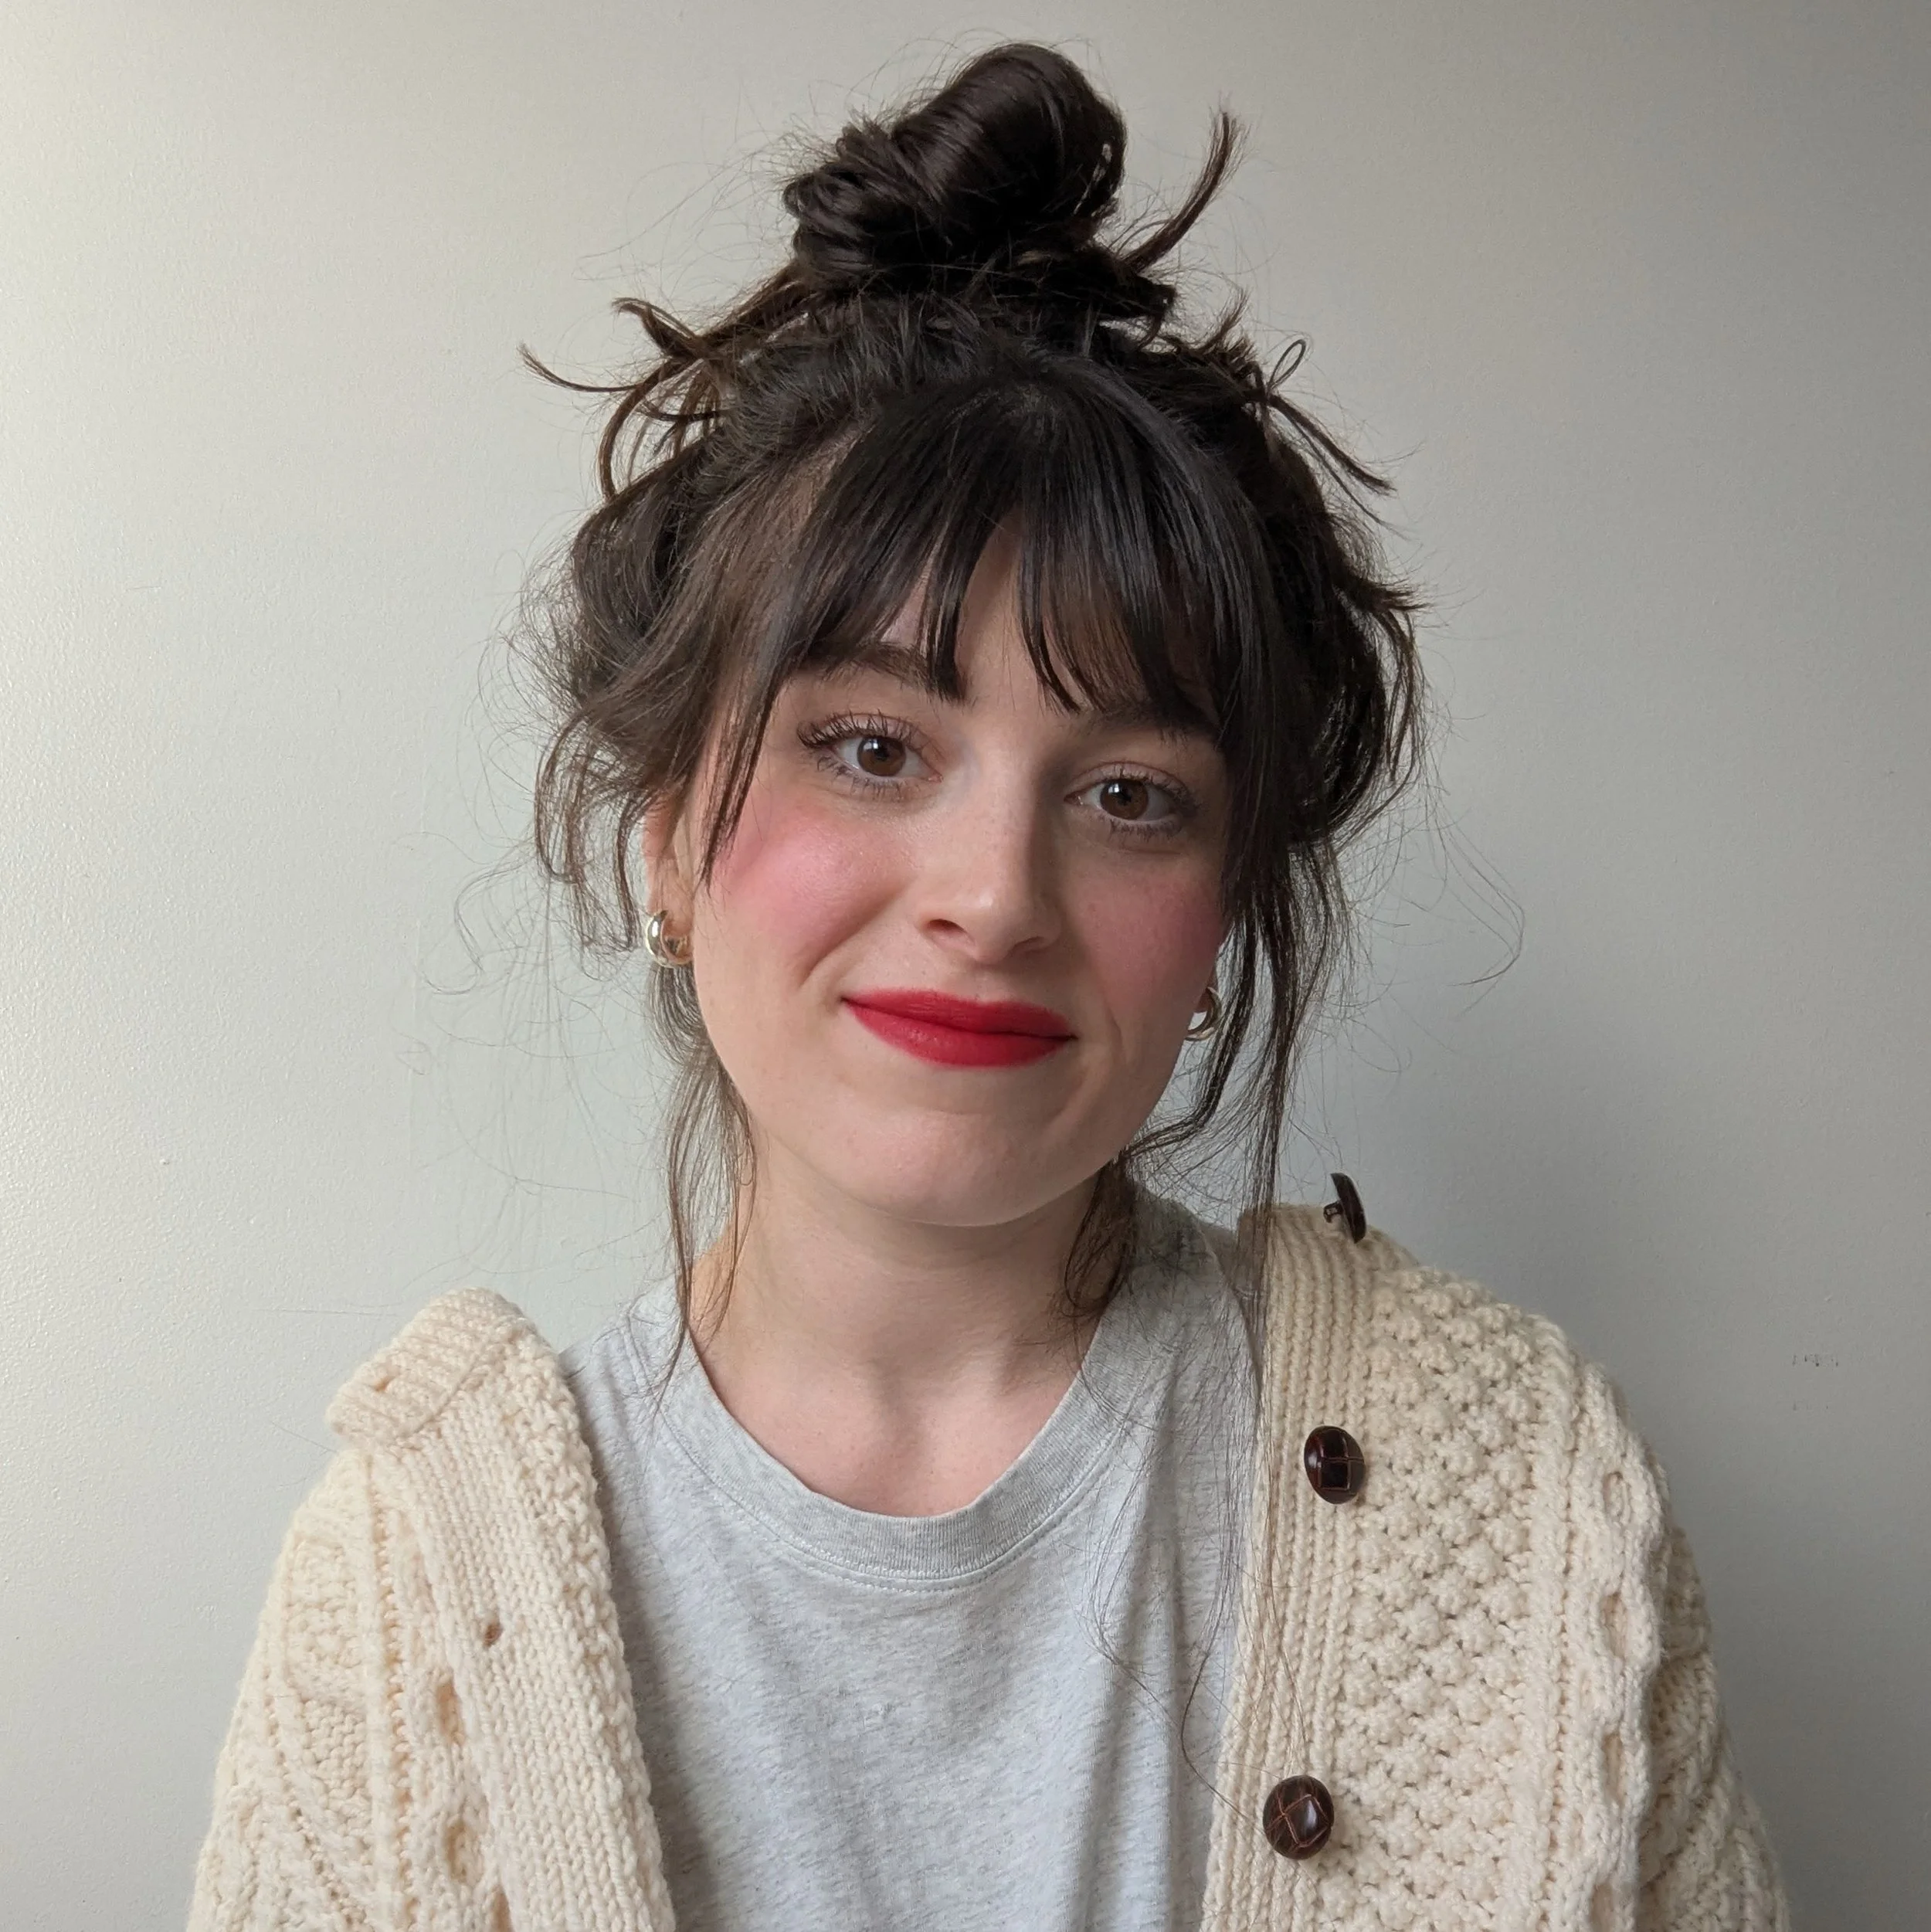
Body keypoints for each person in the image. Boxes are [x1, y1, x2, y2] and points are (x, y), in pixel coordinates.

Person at [186, 40, 1787, 1932]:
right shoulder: (406, 1596)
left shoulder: (1518, 1493)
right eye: (871, 747)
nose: (994, 895)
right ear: (667, 842)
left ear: (1220, 918)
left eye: (1128, 795)